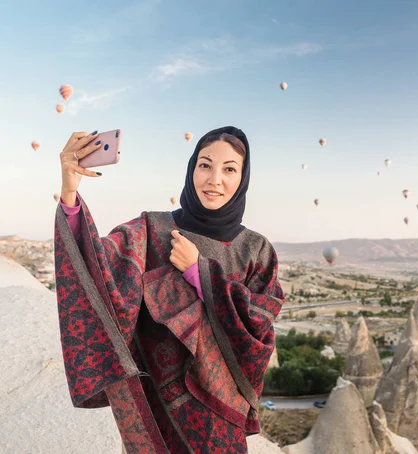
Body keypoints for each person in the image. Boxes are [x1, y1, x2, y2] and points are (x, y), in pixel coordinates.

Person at [54, 126, 284, 453]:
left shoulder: (256, 250)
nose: (214, 179)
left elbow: (258, 329)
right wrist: (69, 193)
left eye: (229, 169)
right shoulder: (152, 229)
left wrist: (200, 272)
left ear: (243, 178)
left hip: (219, 420)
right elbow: (96, 271)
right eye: (205, 165)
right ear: (192, 170)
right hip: (155, 414)